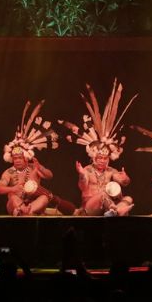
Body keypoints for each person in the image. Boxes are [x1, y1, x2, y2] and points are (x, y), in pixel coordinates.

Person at [59, 79, 136, 216]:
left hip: (107, 206)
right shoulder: (87, 170)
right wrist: (82, 175)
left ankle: (113, 211)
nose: (102, 160)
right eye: (99, 157)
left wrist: (125, 178)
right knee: (102, 194)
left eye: (105, 158)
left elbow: (123, 182)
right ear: (94, 157)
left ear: (109, 158)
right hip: (90, 207)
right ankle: (117, 211)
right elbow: (82, 186)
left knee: (128, 198)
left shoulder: (111, 170)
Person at [0, 99, 72, 215]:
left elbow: (49, 175)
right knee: (12, 197)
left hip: (34, 204)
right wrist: (13, 189)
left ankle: (27, 211)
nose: (17, 160)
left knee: (45, 198)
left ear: (26, 158)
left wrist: (40, 168)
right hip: (16, 204)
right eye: (15, 158)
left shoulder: (34, 167)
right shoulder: (9, 172)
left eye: (19, 158)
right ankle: (22, 210)